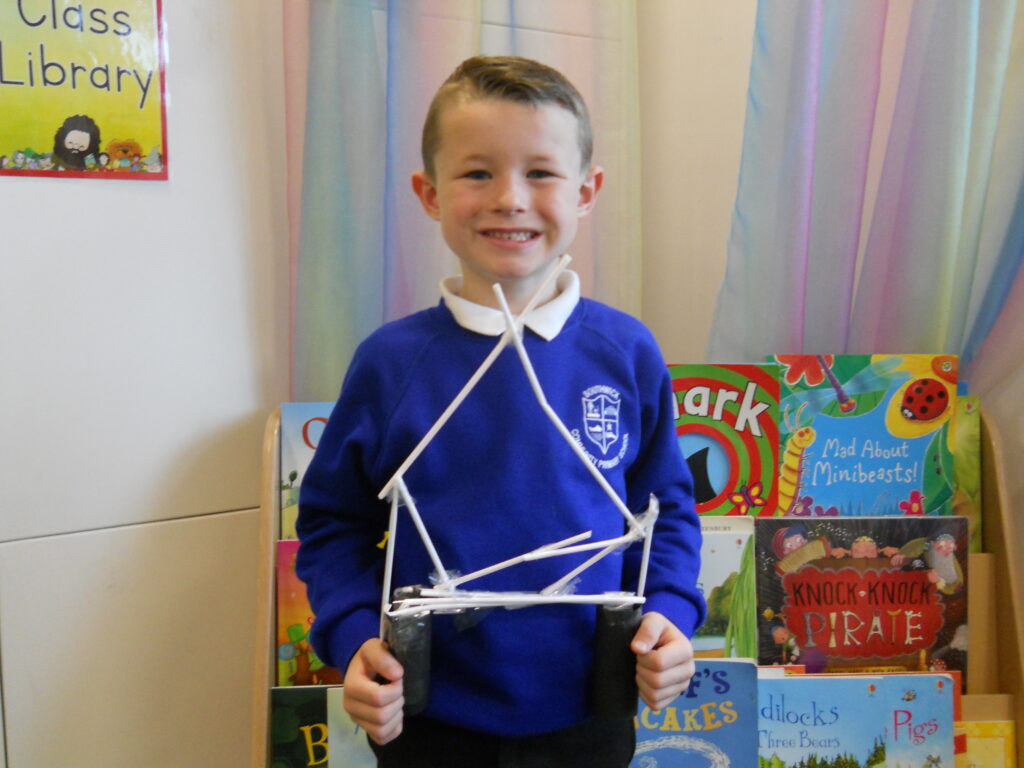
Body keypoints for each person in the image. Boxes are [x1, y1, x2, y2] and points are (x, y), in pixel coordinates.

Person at [296, 55, 705, 768]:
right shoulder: (391, 363)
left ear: (587, 191)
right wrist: (354, 636)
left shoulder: (626, 352)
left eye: (541, 172)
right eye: (478, 173)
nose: (510, 198)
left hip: (591, 708)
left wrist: (669, 612)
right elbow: (335, 523)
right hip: (428, 714)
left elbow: (663, 509)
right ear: (429, 193)